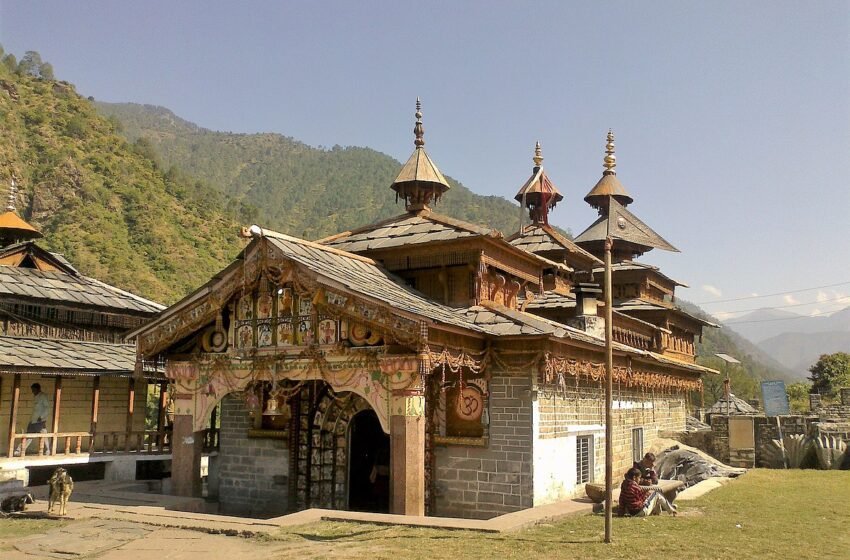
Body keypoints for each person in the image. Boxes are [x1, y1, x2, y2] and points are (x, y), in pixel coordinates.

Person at [15, 383, 51, 455]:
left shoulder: (43, 396)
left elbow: (47, 408)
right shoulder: (36, 397)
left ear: (38, 389)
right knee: (42, 434)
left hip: (39, 420)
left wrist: (41, 417)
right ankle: (48, 450)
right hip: (34, 420)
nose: (32, 391)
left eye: (33, 390)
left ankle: (19, 450)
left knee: (31, 435)